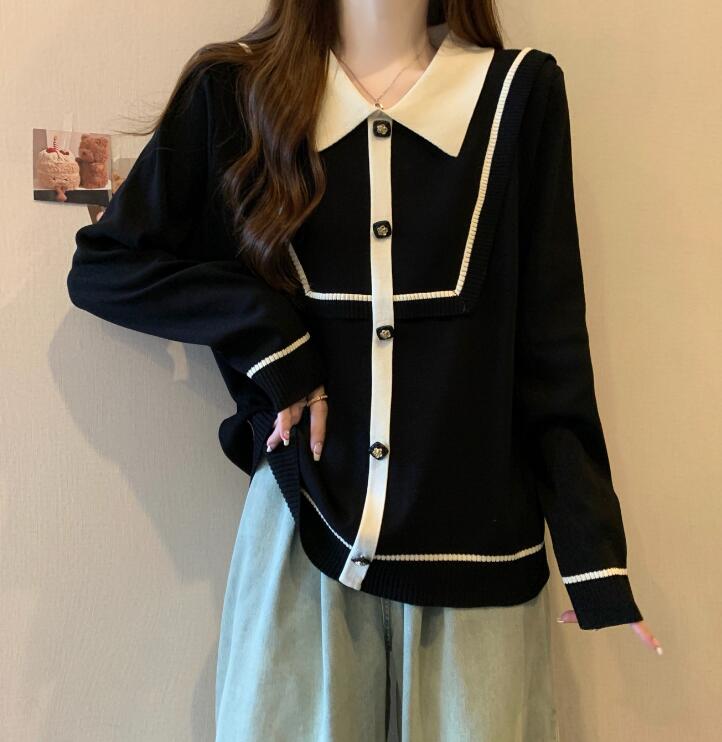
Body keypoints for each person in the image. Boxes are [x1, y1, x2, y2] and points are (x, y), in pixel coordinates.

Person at [67, 0, 661, 739]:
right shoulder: (235, 92)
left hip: (482, 558)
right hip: (302, 538)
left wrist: (594, 555)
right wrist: (273, 337)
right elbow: (108, 267)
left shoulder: (519, 95)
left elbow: (550, 341)